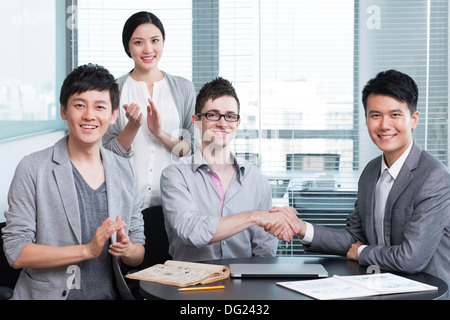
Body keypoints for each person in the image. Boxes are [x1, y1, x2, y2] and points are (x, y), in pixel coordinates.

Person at [267, 70, 450, 287]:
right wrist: (301, 228)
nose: (384, 125)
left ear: (413, 119)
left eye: (395, 115)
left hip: (427, 290)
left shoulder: (434, 177)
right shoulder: (370, 172)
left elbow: (411, 258)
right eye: (376, 115)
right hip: (380, 284)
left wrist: (362, 252)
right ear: (366, 120)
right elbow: (354, 238)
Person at [2, 64, 145, 300]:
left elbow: (139, 250)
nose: (89, 115)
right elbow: (16, 253)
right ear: (64, 111)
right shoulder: (33, 168)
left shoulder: (125, 170)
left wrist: (127, 250)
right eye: (79, 105)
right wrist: (88, 250)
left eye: (100, 107)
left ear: (113, 115)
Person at [160, 77, 291, 261]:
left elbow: (265, 249)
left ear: (237, 123)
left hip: (243, 284)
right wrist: (253, 217)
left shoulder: (256, 179)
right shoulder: (175, 175)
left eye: (230, 116)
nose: (223, 123)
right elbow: (192, 232)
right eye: (213, 115)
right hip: (191, 284)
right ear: (197, 121)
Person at [103, 11, 197, 218]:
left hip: (173, 202)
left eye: (155, 40)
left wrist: (160, 134)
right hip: (125, 203)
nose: (148, 49)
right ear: (127, 46)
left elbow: (191, 151)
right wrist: (132, 127)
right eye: (138, 42)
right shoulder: (113, 90)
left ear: (163, 42)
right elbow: (106, 153)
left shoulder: (183, 88)